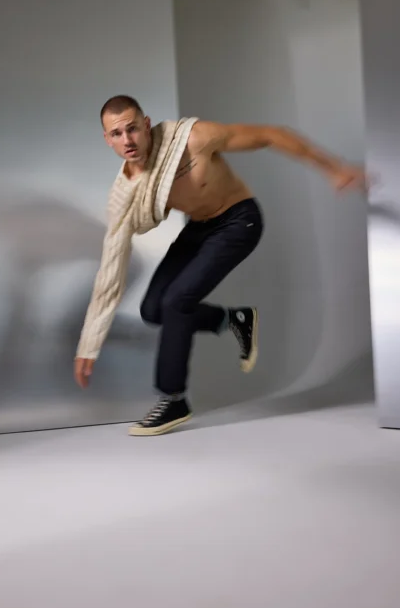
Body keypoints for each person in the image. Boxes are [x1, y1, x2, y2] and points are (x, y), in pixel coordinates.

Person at [74, 96, 367, 436]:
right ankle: (234, 320)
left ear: (146, 123)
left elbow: (272, 134)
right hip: (198, 229)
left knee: (176, 302)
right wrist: (89, 344)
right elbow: (112, 268)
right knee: (154, 309)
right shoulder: (124, 195)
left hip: (238, 221)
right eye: (117, 134)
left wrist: (334, 168)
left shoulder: (192, 138)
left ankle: (173, 399)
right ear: (107, 139)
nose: (128, 140)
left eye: (133, 129)